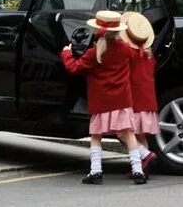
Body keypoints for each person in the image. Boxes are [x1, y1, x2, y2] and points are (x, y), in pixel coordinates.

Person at [60, 10, 147, 185]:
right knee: (129, 134)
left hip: (100, 101)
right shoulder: (126, 49)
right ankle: (138, 170)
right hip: (122, 100)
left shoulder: (94, 53)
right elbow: (137, 57)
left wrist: (66, 53)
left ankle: (96, 171)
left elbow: (74, 68)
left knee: (96, 136)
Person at [119, 12, 159, 177]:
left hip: (134, 101)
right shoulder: (150, 56)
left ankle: (145, 155)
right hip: (149, 101)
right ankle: (143, 168)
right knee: (140, 135)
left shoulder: (129, 55)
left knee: (122, 132)